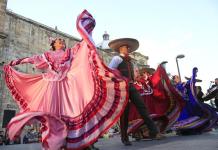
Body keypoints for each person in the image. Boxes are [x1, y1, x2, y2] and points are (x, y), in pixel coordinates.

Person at [3, 10, 128, 150]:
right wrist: (16, 62)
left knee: (71, 111)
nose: (62, 42)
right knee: (53, 114)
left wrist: (86, 31)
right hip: (51, 86)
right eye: (59, 41)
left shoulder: (70, 53)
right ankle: (54, 141)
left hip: (67, 85)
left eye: (62, 41)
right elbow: (32, 59)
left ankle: (74, 142)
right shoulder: (47, 55)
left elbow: (83, 47)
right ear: (54, 44)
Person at [108, 38, 163, 146]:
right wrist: (119, 81)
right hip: (123, 87)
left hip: (131, 86)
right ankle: (124, 137)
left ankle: (154, 132)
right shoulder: (116, 59)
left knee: (142, 107)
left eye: (128, 48)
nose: (127, 49)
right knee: (125, 112)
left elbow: (132, 76)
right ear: (120, 49)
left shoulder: (130, 62)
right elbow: (109, 72)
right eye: (125, 47)